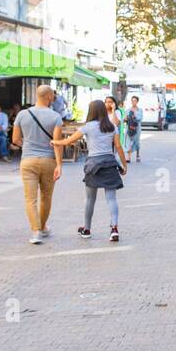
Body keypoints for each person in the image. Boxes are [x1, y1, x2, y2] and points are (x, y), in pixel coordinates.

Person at [53, 99, 126, 243]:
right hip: (110, 163)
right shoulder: (111, 126)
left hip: (93, 164)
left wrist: (55, 142)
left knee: (90, 199)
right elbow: (118, 146)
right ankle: (114, 229)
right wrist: (124, 164)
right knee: (111, 198)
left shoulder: (88, 127)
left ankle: (87, 229)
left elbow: (68, 141)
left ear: (91, 110)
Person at [11, 84, 64, 244]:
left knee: (30, 199)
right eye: (53, 96)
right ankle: (42, 228)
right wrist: (59, 164)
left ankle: (35, 232)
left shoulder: (22, 114)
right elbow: (57, 143)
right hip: (48, 161)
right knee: (46, 197)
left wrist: (26, 145)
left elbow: (15, 140)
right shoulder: (55, 117)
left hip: (28, 160)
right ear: (49, 97)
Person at [124, 95, 143, 163]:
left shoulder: (139, 110)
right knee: (128, 142)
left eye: (135, 100)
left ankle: (137, 155)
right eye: (132, 100)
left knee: (136, 142)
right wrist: (125, 118)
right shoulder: (128, 110)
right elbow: (125, 119)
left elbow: (140, 118)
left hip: (137, 128)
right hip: (129, 128)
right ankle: (128, 157)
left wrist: (134, 115)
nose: (133, 102)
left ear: (137, 101)